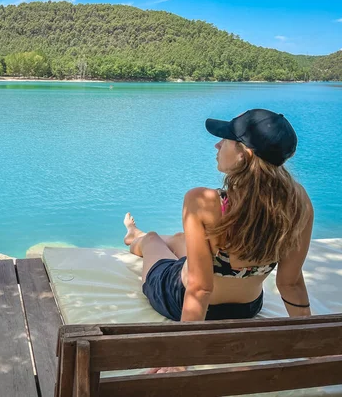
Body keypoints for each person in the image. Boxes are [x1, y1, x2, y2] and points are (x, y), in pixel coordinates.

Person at [124, 109, 314, 326]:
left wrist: (180, 354)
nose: (217, 145)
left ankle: (135, 237)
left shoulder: (203, 201)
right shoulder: (298, 201)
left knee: (152, 239)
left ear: (244, 153)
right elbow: (291, 283)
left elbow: (200, 289)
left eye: (225, 140)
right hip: (247, 308)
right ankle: (141, 235)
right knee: (181, 239)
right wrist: (311, 343)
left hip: (181, 301)